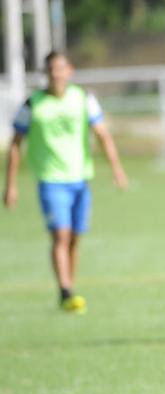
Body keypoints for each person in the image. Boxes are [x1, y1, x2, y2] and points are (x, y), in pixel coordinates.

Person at [3, 51, 127, 313]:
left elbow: (103, 134)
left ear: (70, 70)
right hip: (50, 180)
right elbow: (15, 144)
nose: (56, 74)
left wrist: (116, 169)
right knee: (61, 234)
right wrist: (10, 185)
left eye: (60, 69)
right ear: (45, 73)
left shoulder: (83, 99)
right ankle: (65, 290)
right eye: (51, 70)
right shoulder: (33, 104)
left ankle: (69, 286)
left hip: (80, 179)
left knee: (74, 238)